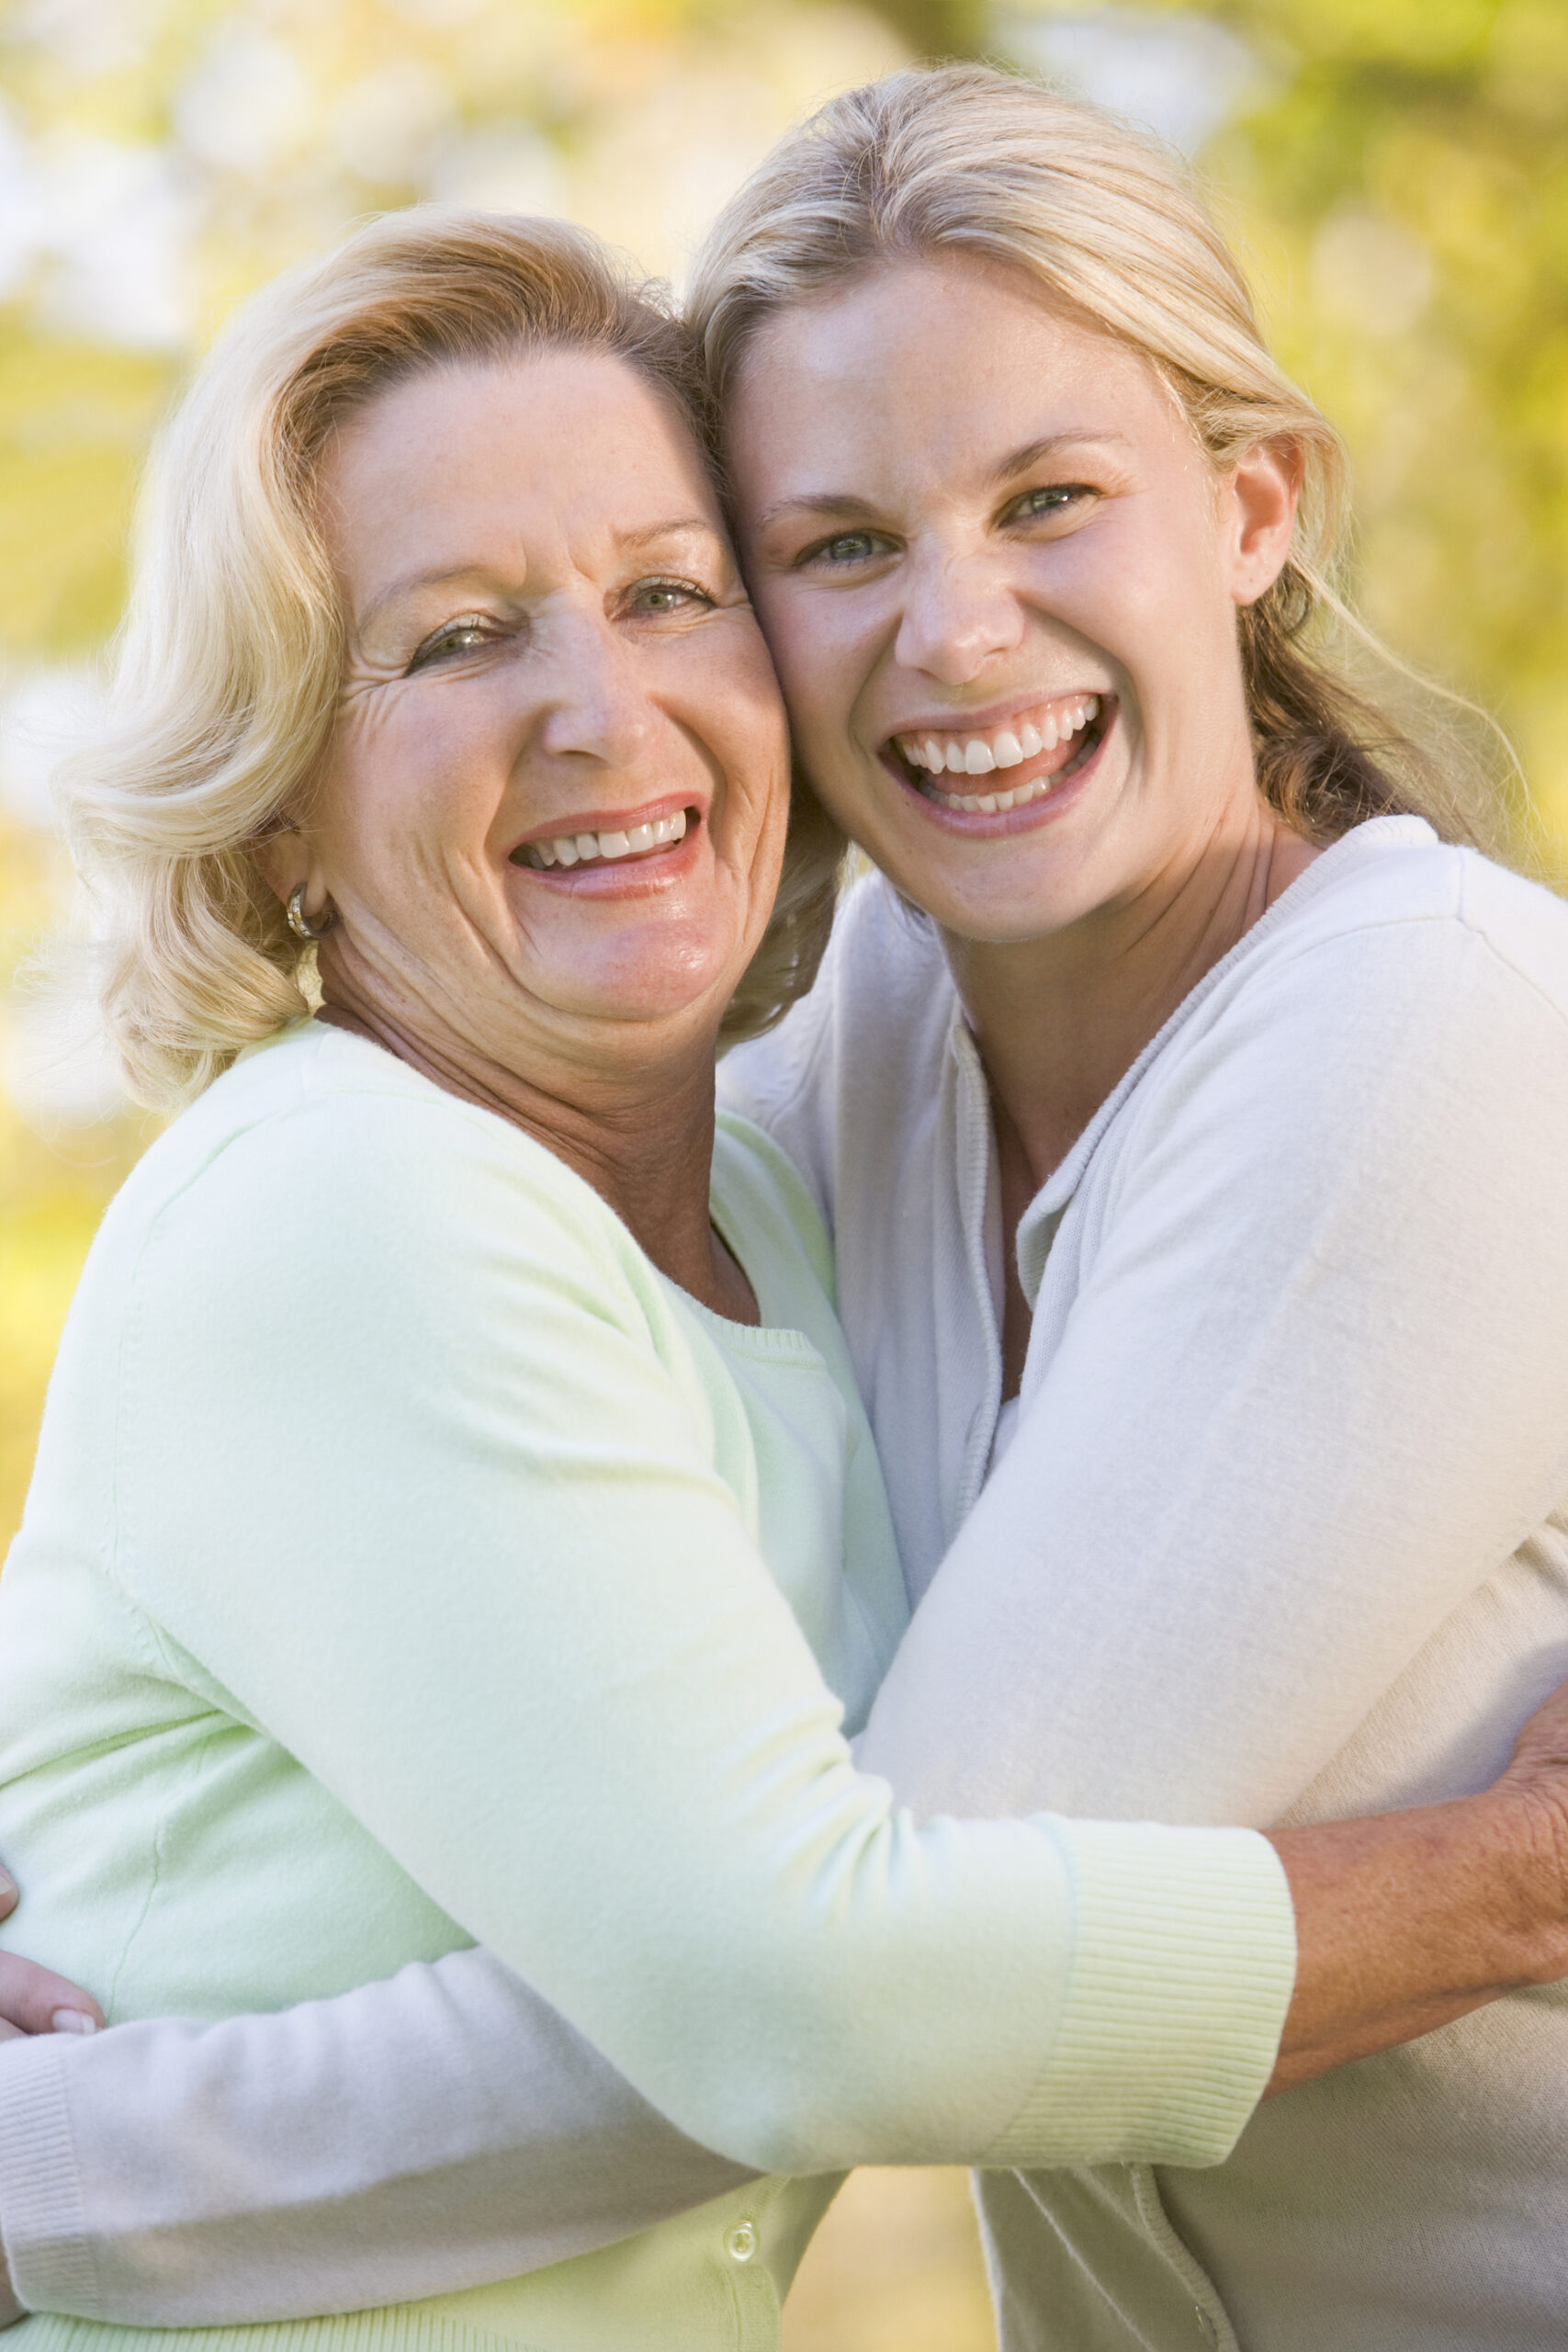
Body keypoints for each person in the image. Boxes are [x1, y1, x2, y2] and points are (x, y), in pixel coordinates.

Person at [1, 78, 1567, 2352]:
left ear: (1250, 507)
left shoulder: (1413, 1033)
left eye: (1047, 499)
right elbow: (820, 1972)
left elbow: (824, 1982)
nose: (952, 633)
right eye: (831, 545)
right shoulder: (846, 1067)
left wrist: (65, 2163)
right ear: (278, 808)